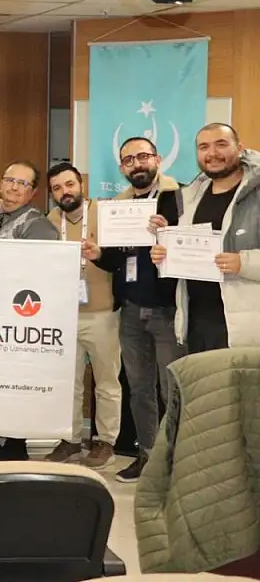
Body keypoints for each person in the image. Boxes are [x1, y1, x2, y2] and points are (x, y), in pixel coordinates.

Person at [92, 136, 182, 483]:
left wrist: (170, 235)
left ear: (157, 159)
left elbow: (196, 248)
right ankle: (147, 455)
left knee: (172, 390)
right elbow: (118, 259)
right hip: (130, 309)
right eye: (129, 160)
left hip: (169, 309)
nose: (137, 164)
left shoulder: (180, 197)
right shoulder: (119, 205)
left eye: (143, 156)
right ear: (122, 168)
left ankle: (175, 463)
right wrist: (98, 254)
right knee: (140, 389)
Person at [151, 122, 260, 352]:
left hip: (246, 329)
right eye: (204, 147)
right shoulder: (191, 197)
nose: (212, 153)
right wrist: (166, 251)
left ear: (239, 148)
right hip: (198, 324)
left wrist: (243, 262)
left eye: (221, 144)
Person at [43, 162, 121, 469]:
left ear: (81, 185)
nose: (64, 191)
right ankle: (71, 439)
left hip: (103, 314)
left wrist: (99, 254)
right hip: (64, 314)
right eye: (57, 188)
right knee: (68, 383)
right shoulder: (49, 221)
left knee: (107, 381)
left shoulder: (104, 213)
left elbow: (122, 258)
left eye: (69, 184)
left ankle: (106, 441)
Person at [0, 159, 58, 461]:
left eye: (22, 183)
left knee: (14, 379)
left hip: (16, 317)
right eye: (9, 180)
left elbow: (39, 273)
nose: (13, 187)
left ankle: (15, 445)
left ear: (33, 192)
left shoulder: (38, 225)